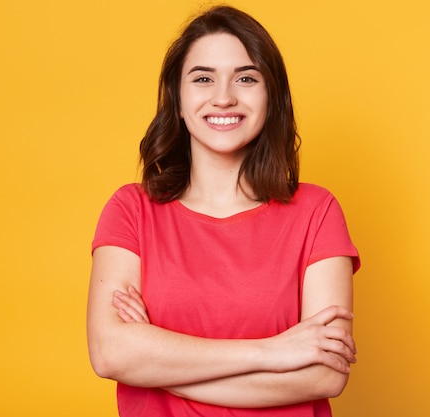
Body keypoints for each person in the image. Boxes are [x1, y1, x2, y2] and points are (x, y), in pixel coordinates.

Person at [87, 5, 360, 417]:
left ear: (272, 98)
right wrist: (275, 350)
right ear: (178, 100)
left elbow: (324, 375)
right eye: (202, 79)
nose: (223, 97)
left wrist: (155, 359)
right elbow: (110, 354)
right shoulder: (131, 210)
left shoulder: (317, 211)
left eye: (246, 78)